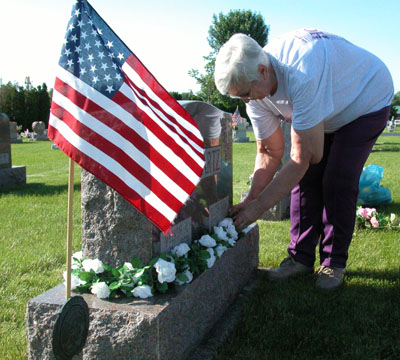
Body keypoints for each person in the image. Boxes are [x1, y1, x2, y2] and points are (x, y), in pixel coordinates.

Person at [214, 29, 394, 290]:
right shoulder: (252, 83)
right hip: (329, 109)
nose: (247, 100)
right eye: (239, 96)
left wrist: (259, 208)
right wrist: (251, 199)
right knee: (306, 179)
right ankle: (300, 258)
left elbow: (305, 157)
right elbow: (269, 151)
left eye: (247, 93)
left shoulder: (301, 70)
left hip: (364, 102)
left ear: (264, 70)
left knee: (337, 180)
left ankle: (333, 261)